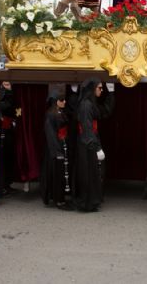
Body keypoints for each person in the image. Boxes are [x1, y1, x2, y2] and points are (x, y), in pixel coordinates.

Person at [74, 79, 114, 212]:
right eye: (99, 88)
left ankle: (92, 201)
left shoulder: (91, 103)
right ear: (92, 89)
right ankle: (86, 203)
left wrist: (111, 94)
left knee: (93, 172)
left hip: (91, 140)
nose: (101, 91)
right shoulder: (86, 105)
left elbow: (104, 112)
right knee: (87, 173)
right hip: (87, 142)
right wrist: (96, 147)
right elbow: (87, 128)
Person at [40, 90, 73, 210]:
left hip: (62, 145)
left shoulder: (60, 112)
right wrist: (57, 152)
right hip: (55, 148)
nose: (64, 102)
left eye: (64, 99)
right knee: (57, 174)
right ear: (55, 102)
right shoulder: (50, 114)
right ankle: (58, 199)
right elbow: (50, 134)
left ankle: (61, 197)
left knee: (62, 173)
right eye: (61, 100)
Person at [0, 81, 17, 196]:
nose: (8, 86)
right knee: (2, 159)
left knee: (9, 158)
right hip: (2, 131)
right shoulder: (0, 96)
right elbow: (5, 106)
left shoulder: (13, 95)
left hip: (9, 130)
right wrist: (9, 93)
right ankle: (2, 186)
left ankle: (7, 184)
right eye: (5, 84)